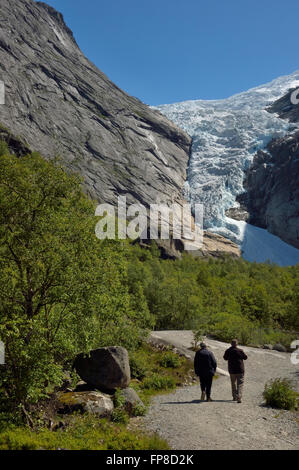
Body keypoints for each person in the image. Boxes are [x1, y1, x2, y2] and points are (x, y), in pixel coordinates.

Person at [223, 339, 248, 403]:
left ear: (231, 344)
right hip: (240, 369)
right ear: (237, 344)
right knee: (240, 383)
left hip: (232, 370)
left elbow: (225, 358)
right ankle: (239, 396)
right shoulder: (240, 351)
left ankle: (234, 397)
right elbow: (245, 357)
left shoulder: (228, 351)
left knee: (233, 383)